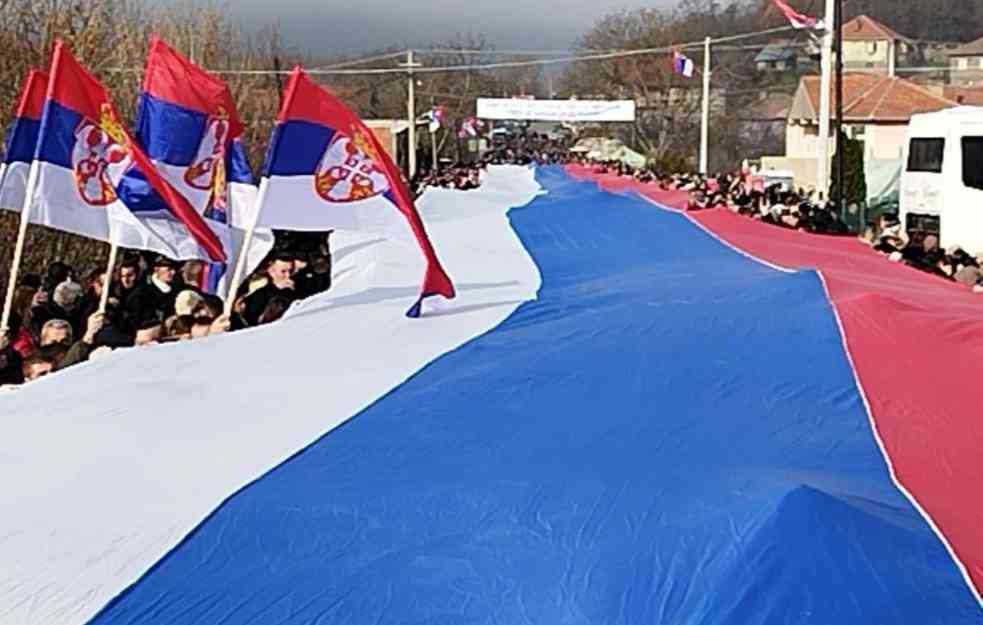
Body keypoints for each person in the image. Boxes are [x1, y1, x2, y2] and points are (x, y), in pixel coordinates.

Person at [242, 252, 299, 326]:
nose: (288, 275)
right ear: (271, 271)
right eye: (283, 271)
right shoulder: (259, 294)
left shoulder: (299, 287)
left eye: (291, 271)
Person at [126, 255, 180, 323]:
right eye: (169, 269)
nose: (173, 272)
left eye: (174, 268)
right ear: (156, 269)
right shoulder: (143, 293)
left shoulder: (176, 288)